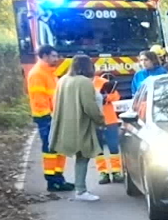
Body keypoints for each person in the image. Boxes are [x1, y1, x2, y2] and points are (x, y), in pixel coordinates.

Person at [50, 55, 106, 202]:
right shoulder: (84, 82)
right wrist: (100, 120)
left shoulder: (63, 80)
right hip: (82, 124)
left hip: (67, 124)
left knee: (81, 156)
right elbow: (89, 106)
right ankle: (81, 190)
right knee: (83, 156)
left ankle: (80, 188)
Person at [26, 46, 74, 192]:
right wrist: (49, 116)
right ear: (44, 56)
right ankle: (52, 181)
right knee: (50, 150)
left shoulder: (49, 72)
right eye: (53, 56)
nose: (57, 59)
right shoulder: (38, 74)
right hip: (46, 117)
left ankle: (58, 178)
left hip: (54, 116)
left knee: (59, 148)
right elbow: (39, 99)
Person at [92, 72, 123, 184]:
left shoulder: (103, 82)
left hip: (109, 119)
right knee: (98, 148)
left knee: (113, 147)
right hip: (94, 121)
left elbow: (116, 96)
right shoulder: (84, 84)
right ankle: (103, 172)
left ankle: (116, 172)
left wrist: (106, 97)